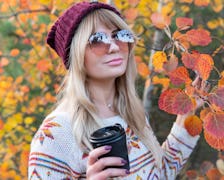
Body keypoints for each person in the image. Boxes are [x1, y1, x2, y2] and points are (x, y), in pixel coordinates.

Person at [28, 1, 206, 179]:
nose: (113, 46)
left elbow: (160, 174)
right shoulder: (55, 134)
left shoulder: (132, 115)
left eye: (120, 35)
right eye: (97, 40)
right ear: (76, 55)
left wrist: (185, 120)